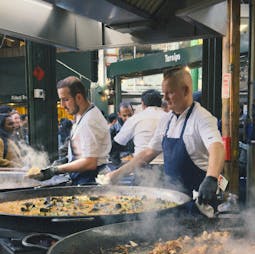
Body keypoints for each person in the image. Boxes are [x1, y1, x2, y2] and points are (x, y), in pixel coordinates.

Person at [107, 67, 225, 209]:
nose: (165, 98)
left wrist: (211, 178)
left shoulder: (202, 118)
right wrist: (117, 175)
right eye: (164, 93)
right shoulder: (167, 120)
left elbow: (217, 147)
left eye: (170, 93)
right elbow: (148, 153)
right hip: (172, 199)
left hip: (198, 201)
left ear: (186, 91)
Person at [33, 76, 111, 185]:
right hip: (83, 177)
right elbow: (81, 150)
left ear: (79, 97)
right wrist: (66, 159)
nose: (62, 105)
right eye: (60, 100)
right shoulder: (81, 114)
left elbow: (90, 163)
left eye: (65, 100)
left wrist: (55, 170)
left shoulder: (89, 121)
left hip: (91, 180)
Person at [111, 89, 165, 168]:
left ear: (143, 104)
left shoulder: (135, 119)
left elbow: (117, 143)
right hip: (166, 165)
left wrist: (117, 163)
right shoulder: (170, 118)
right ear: (161, 103)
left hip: (142, 165)